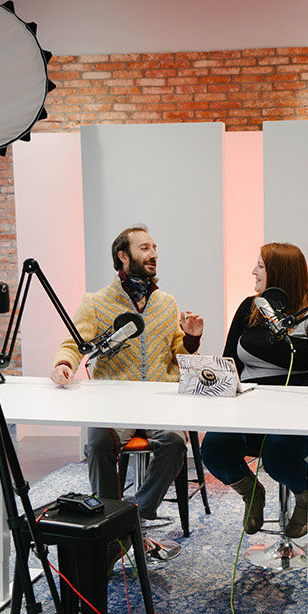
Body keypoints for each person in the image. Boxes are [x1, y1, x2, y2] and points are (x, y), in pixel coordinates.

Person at [50, 224, 203, 530]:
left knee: (174, 444)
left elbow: (178, 352)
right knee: (96, 444)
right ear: (123, 256)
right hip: (114, 403)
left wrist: (191, 338)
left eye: (154, 248)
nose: (154, 254)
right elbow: (73, 343)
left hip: (159, 401)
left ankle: (133, 516)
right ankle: (108, 521)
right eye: (144, 248)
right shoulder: (96, 302)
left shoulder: (166, 302)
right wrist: (64, 363)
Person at [200, 243, 308, 538]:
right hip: (248, 411)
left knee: (279, 457)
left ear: (280, 272)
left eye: (260, 266)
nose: (253, 271)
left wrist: (283, 406)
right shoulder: (250, 307)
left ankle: (305, 494)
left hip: (294, 415)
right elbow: (229, 363)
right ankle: (252, 493)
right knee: (213, 449)